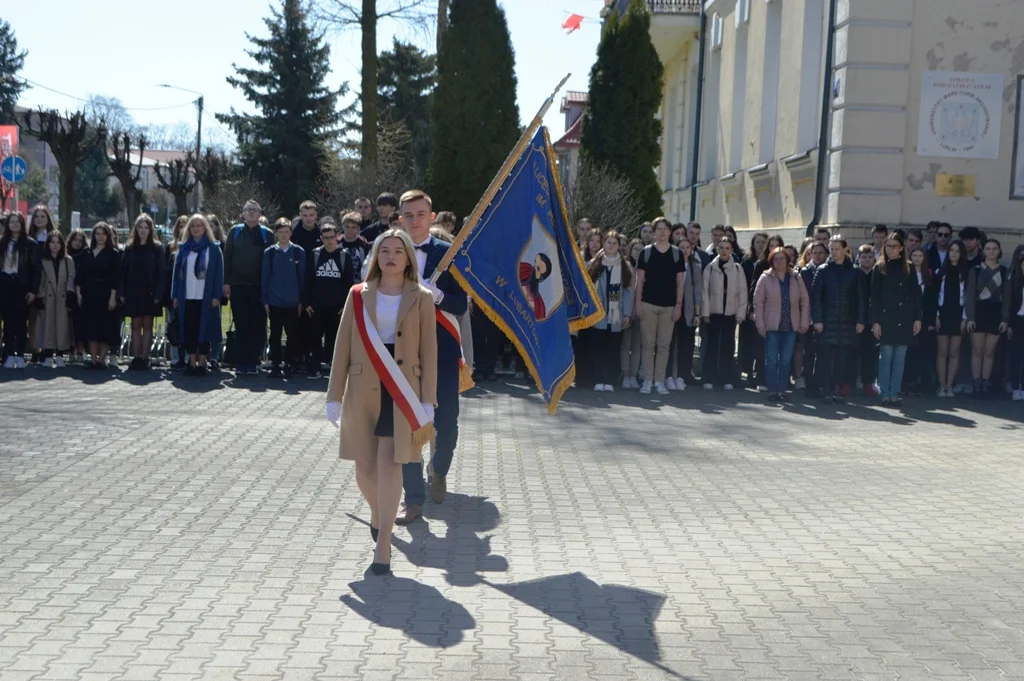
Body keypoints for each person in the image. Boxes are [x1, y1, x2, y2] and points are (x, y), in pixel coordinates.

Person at [326, 229, 437, 575]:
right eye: (384, 250)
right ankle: (378, 513)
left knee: (391, 461)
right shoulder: (357, 295)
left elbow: (429, 352)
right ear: (376, 257)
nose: (390, 256)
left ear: (408, 260)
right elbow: (342, 344)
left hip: (402, 388)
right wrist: (333, 394)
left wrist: (428, 399)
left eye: (398, 251)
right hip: (363, 386)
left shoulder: (421, 298)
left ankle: (384, 542)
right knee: (365, 467)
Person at [395, 190, 468, 522]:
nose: (415, 220)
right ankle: (412, 499)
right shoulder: (389, 250)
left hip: (442, 347)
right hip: (402, 350)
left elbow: (461, 304)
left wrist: (437, 294)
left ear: (432, 216)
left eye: (421, 214)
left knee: (447, 421)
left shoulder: (448, 254)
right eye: (408, 215)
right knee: (407, 423)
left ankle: (438, 470)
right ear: (400, 219)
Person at [633, 218, 685, 395]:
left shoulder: (677, 253)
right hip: (648, 303)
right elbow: (639, 280)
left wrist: (679, 305)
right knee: (647, 344)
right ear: (654, 232)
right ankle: (647, 380)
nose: (662, 232)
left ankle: (660, 381)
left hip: (669, 306)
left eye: (665, 229)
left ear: (670, 232)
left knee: (664, 345)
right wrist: (638, 304)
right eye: (659, 229)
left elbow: (680, 282)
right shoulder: (646, 253)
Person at [870, 233, 922, 407]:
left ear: (901, 248)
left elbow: (916, 295)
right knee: (886, 356)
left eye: (894, 246)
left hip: (905, 318)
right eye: (888, 246)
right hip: (885, 318)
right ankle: (885, 393)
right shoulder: (880, 268)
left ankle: (894, 393)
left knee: (900, 357)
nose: (891, 249)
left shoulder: (909, 267)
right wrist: (875, 322)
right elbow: (874, 297)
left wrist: (918, 318)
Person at [811, 235, 864, 404]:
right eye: (831, 249)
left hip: (847, 321)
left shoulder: (855, 271)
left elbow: (861, 298)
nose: (834, 252)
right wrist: (817, 319)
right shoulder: (823, 270)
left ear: (845, 250)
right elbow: (816, 297)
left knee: (842, 358)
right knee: (825, 358)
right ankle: (826, 389)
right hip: (827, 320)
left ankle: (837, 389)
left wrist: (860, 320)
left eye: (837, 249)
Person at [224, 200, 274, 375]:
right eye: (248, 210)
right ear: (243, 213)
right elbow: (227, 258)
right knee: (241, 324)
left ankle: (254, 361)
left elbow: (271, 262)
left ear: (260, 213)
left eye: (255, 210)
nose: (251, 213)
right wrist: (226, 282)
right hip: (238, 286)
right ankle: (242, 362)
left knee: (258, 325)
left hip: (259, 287)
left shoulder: (267, 234)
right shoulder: (235, 232)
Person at [754, 246, 810, 402]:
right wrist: (760, 325)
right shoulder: (765, 278)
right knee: (771, 359)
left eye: (782, 259)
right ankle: (772, 390)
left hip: (790, 326)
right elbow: (758, 303)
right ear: (771, 261)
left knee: (786, 359)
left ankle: (782, 390)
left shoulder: (796, 277)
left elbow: (805, 300)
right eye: (775, 259)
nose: (779, 262)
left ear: (788, 261)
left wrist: (804, 321)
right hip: (771, 326)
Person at [171, 215, 223, 376]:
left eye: (199, 225)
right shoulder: (184, 248)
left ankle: (202, 362)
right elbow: (176, 273)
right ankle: (191, 362)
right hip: (187, 296)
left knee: (205, 330)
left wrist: (216, 296)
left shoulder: (213, 249)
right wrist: (175, 296)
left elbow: (218, 275)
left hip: (205, 297)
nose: (195, 229)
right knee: (189, 330)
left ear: (205, 228)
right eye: (193, 226)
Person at [306, 220, 357, 377]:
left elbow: (349, 283)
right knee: (314, 338)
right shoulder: (315, 254)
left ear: (338, 237)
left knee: (334, 339)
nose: (329, 241)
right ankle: (314, 368)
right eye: (325, 238)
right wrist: (307, 302)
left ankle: (334, 370)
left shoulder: (344, 256)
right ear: (321, 238)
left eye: (331, 237)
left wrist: (345, 304)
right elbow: (308, 280)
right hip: (317, 305)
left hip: (337, 307)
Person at [587, 231, 633, 392]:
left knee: (613, 348)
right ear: (603, 244)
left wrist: (627, 313)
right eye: (608, 242)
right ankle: (599, 379)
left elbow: (628, 291)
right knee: (598, 348)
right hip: (598, 313)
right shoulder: (595, 264)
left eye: (614, 243)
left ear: (619, 246)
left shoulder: (625, 266)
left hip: (616, 315)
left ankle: (610, 380)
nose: (611, 246)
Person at [119, 214, 166, 371]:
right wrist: (122, 291)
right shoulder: (130, 247)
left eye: (146, 227)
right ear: (136, 229)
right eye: (140, 227)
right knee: (135, 325)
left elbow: (161, 273)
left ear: (150, 229)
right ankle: (136, 357)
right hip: (133, 291)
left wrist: (159, 294)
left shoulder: (157, 248)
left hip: (150, 292)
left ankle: (145, 357)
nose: (143, 230)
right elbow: (123, 272)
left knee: (147, 325)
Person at [965, 238, 1011, 398]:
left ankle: (985, 381)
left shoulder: (1004, 271)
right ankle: (976, 381)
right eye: (988, 249)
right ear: (983, 251)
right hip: (979, 311)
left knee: (990, 351)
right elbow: (970, 294)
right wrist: (970, 317)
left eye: (994, 249)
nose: (991, 251)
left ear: (999, 251)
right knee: (977, 350)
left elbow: (1007, 297)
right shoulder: (975, 269)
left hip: (996, 312)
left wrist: (1005, 319)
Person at [261, 218, 306, 377]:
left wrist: (301, 300)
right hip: (275, 301)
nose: (284, 235)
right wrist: (265, 300)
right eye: (280, 232)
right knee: (275, 335)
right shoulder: (270, 252)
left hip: (293, 302)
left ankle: (289, 363)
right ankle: (275, 364)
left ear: (291, 233)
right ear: (276, 234)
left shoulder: (298, 251)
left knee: (292, 335)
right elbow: (265, 277)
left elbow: (302, 278)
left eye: (286, 232)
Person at [700, 238, 747, 390]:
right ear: (717, 249)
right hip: (714, 313)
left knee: (728, 347)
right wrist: (705, 312)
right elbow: (704, 291)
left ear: (732, 250)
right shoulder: (710, 268)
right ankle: (709, 377)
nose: (724, 251)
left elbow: (743, 292)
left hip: (730, 314)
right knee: (711, 347)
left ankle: (728, 378)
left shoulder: (738, 269)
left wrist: (740, 314)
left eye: (727, 248)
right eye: (721, 248)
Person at [75, 223, 121, 370]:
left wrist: (113, 297)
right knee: (91, 327)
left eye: (103, 234)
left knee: (105, 327)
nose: (100, 237)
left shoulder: (113, 254)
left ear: (108, 236)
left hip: (106, 293)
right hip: (89, 293)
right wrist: (78, 293)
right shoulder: (86, 253)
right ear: (93, 235)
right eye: (97, 233)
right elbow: (80, 275)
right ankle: (94, 359)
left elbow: (115, 278)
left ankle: (102, 359)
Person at [1, 212, 41, 368]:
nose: (15, 225)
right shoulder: (2, 243)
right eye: (12, 222)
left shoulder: (30, 244)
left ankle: (20, 354)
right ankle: (9, 354)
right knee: (8, 321)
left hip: (22, 285)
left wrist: (33, 290)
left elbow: (36, 270)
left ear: (22, 224)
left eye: (18, 222)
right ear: (8, 225)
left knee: (21, 322)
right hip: (5, 283)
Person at [35, 231, 76, 367]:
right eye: (52, 242)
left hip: (62, 297)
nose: (55, 245)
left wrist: (70, 294)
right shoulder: (43, 260)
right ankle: (47, 354)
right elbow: (39, 280)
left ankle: (60, 354)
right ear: (48, 244)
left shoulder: (67, 260)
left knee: (62, 326)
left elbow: (71, 278)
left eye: (58, 242)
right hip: (47, 297)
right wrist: (39, 298)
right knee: (47, 326)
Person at [290, 200, 322, 376]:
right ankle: (297, 358)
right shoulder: (294, 235)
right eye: (305, 215)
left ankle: (312, 359)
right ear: (300, 215)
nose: (308, 219)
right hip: (297, 283)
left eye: (311, 215)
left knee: (313, 325)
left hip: (317, 285)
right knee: (297, 324)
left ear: (316, 215)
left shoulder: (322, 234)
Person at [666, 238, 702, 389]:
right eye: (682, 247)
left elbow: (697, 292)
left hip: (689, 312)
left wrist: (697, 314)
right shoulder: (670, 265)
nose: (685, 250)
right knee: (669, 344)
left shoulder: (695, 267)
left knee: (686, 345)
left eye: (688, 247)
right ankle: (668, 376)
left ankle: (681, 375)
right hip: (672, 309)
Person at [934, 240, 967, 397]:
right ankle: (941, 386)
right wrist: (936, 315)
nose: (954, 253)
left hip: (958, 315)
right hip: (943, 314)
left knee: (954, 352)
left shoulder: (966, 272)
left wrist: (965, 318)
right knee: (942, 352)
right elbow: (935, 296)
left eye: (957, 251)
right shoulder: (941, 272)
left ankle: (950, 385)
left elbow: (967, 297)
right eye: (952, 250)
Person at [903, 247, 936, 395]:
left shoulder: (929, 275)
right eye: (914, 255)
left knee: (922, 352)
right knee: (908, 352)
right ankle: (905, 382)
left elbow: (932, 301)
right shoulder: (905, 273)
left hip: (924, 320)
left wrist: (930, 322)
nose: (917, 258)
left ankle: (919, 382)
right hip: (907, 319)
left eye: (920, 255)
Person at [796, 242, 827, 394]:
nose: (817, 255)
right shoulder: (804, 272)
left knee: (822, 354)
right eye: (814, 252)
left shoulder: (828, 270)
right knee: (808, 353)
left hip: (823, 317)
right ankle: (809, 384)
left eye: (821, 252)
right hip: (807, 318)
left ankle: (820, 383)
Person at [740, 232, 771, 389]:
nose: (760, 245)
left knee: (760, 345)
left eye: (763, 242)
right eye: (757, 242)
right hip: (749, 309)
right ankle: (747, 373)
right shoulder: (748, 262)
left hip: (767, 311)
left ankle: (760, 375)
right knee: (748, 343)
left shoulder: (770, 263)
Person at [852, 244, 879, 396]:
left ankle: (868, 382)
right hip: (855, 319)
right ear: (858, 258)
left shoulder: (878, 274)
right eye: (864, 257)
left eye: (870, 257)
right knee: (852, 351)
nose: (867, 260)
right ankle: (847, 382)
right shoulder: (854, 274)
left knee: (870, 352)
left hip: (872, 320)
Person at [620, 238, 645, 388]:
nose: (638, 253)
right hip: (627, 312)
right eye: (635, 249)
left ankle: (634, 376)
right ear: (630, 250)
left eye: (641, 250)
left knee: (637, 346)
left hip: (641, 312)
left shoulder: (647, 268)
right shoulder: (626, 267)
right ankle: (625, 374)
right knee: (625, 344)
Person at [65, 229, 89, 364]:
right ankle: (70, 352)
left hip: (81, 292)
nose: (77, 243)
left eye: (80, 241)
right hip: (67, 292)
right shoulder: (65, 255)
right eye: (75, 240)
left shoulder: (85, 255)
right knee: (68, 324)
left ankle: (81, 351)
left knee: (80, 324)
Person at [1008, 246, 1024, 401]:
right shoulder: (1014, 280)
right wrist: (1009, 324)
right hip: (1017, 321)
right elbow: (1010, 304)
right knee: (1015, 356)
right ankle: (1015, 387)